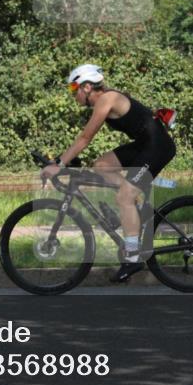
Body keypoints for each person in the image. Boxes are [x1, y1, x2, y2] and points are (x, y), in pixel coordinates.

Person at [40, 64, 177, 282]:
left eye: (73, 88)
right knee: (102, 166)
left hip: (157, 146)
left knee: (124, 196)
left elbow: (85, 138)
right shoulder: (106, 99)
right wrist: (61, 161)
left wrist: (59, 164)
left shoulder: (106, 99)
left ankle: (132, 258)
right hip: (145, 144)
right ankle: (137, 206)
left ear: (86, 87)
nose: (72, 94)